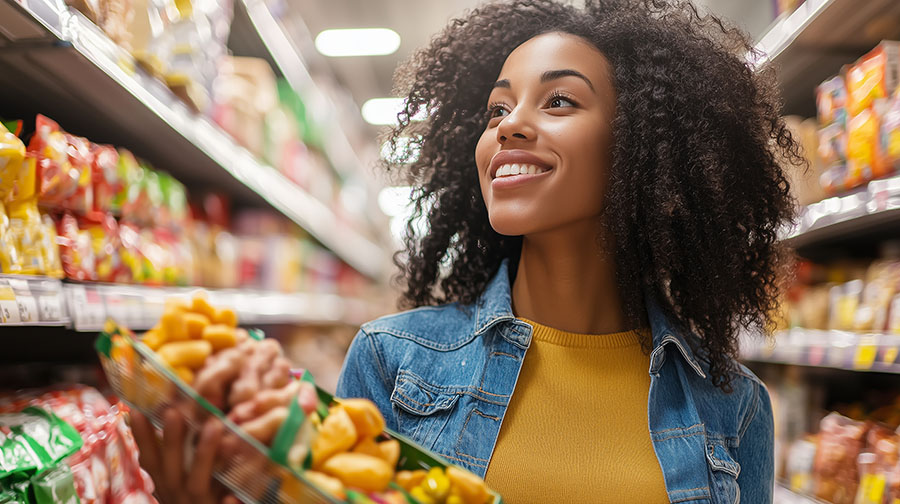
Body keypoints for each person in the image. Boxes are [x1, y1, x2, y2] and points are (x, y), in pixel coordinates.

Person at [135, 0, 799, 502]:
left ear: (644, 150)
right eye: (496, 110)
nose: (509, 125)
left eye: (559, 100)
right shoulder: (392, 362)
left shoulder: (731, 405)